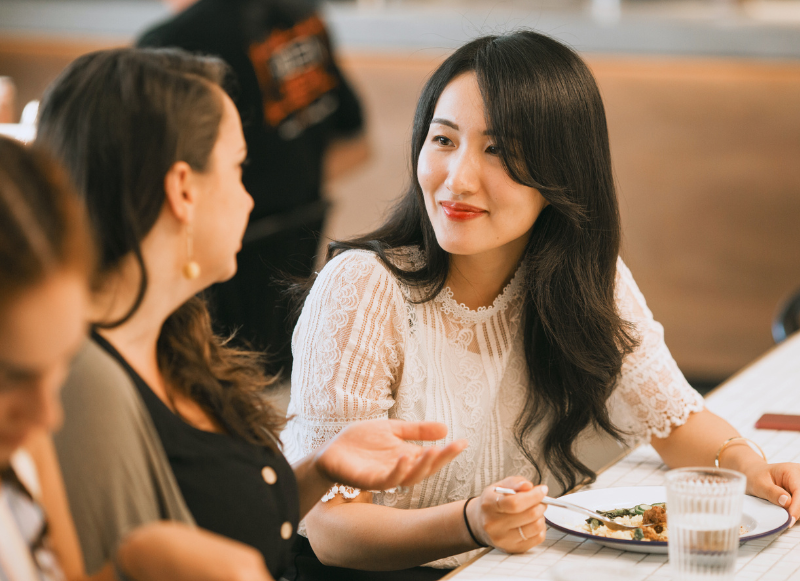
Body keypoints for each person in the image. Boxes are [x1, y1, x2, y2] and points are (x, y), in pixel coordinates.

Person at [283, 30, 800, 579]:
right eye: (443, 141)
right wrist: (471, 523)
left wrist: (749, 467)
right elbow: (333, 530)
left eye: (498, 151)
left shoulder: (581, 279)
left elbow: (675, 419)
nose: (457, 179)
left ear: (561, 174)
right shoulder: (362, 289)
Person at [35, 47, 465, 580]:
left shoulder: (173, 338)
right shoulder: (86, 380)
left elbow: (223, 521)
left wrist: (321, 468)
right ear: (182, 191)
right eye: (238, 169)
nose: (248, 198)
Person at [0, 134, 291, 581]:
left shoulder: (23, 445)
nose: (48, 416)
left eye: (57, 367)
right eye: (9, 378)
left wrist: (126, 565)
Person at [138, 0, 368, 374]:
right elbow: (358, 142)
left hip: (216, 299)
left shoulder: (172, 46)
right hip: (288, 270)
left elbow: (138, 189)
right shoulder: (301, 17)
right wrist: (292, 181)